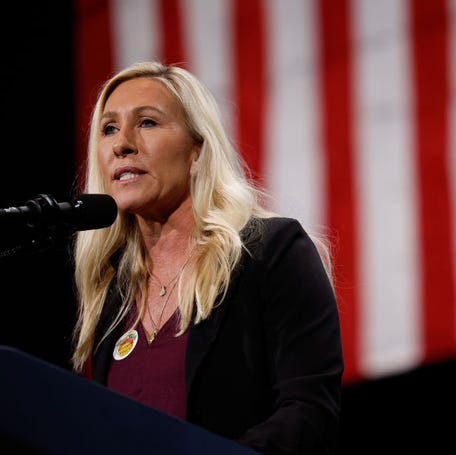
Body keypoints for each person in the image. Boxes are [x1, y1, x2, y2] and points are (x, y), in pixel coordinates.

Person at [70, 60, 344, 455]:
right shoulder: (112, 296)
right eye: (109, 128)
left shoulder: (269, 252)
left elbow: (309, 412)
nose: (121, 143)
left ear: (197, 151)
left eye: (146, 122)